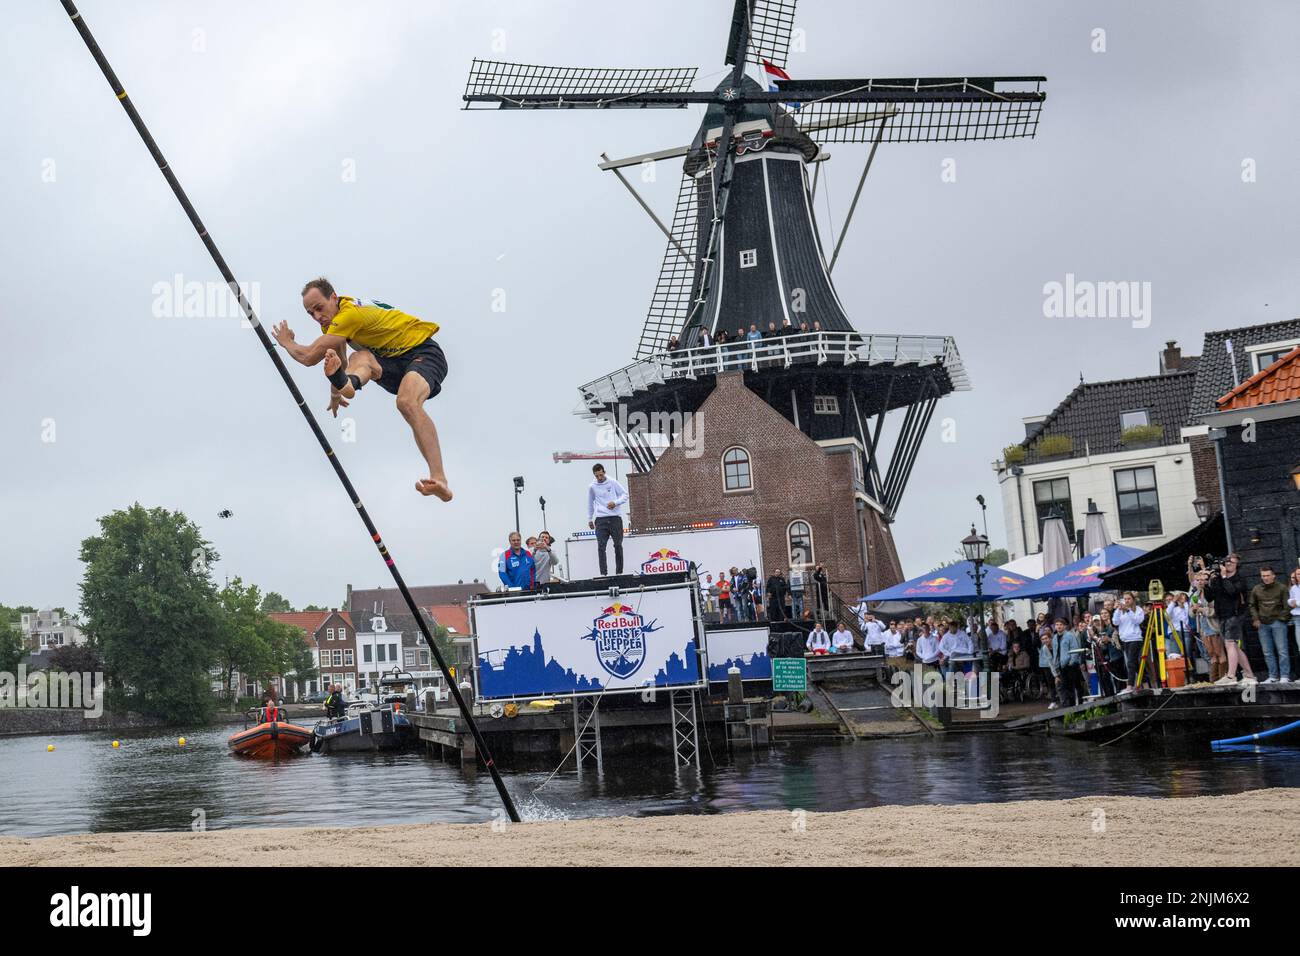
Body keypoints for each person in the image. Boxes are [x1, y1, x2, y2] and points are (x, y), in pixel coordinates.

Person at [275, 278, 452, 500]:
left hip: (422, 354)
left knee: (406, 402)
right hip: (389, 363)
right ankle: (349, 384)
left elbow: (310, 357)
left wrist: (287, 343)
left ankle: (440, 480)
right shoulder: (332, 320)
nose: (317, 316)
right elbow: (337, 355)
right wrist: (336, 390)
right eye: (310, 313)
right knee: (359, 357)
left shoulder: (350, 314)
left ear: (333, 297)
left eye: (319, 308)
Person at [1206, 554, 1256, 685]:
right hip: (1222, 615)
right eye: (1226, 561)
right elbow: (1209, 597)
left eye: (1231, 562)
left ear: (1237, 565)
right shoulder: (1218, 578)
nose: (1228, 564)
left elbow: (1232, 591)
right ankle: (1249, 674)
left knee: (1230, 644)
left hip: (1235, 615)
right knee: (1234, 647)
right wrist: (1208, 582)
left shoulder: (1240, 579)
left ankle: (1231, 676)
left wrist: (1223, 577)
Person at [1250, 565, 1293, 683]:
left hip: (1278, 623)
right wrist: (1256, 618)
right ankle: (1273, 676)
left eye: (1268, 575)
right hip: (1262, 624)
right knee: (1267, 652)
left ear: (1273, 576)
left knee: (1282, 650)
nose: (1265, 578)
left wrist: (1281, 619)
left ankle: (1284, 676)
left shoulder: (1282, 588)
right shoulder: (1256, 589)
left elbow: (1287, 605)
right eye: (1263, 576)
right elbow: (1252, 605)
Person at [1188, 558, 1226, 682]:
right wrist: (1194, 610)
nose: (1201, 582)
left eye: (1204, 579)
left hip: (1214, 626)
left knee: (1219, 652)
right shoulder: (1195, 595)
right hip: (1203, 627)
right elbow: (1191, 614)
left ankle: (1223, 677)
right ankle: (1214, 679)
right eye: (1198, 580)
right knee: (1211, 654)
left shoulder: (1213, 592)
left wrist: (1201, 610)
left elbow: (1215, 611)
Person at [587, 464, 628, 576]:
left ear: (604, 472)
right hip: (601, 519)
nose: (599, 478)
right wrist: (590, 518)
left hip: (615, 518)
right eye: (597, 476)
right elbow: (590, 503)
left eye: (601, 475)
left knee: (618, 545)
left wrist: (615, 503)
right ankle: (603, 574)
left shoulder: (612, 482)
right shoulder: (592, 486)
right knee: (601, 546)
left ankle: (619, 572)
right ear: (594, 475)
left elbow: (625, 495)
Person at [1112, 591, 1147, 693]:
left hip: (1135, 639)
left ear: (1133, 600)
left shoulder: (1138, 610)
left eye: (1129, 599)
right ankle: (1145, 683)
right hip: (1125, 640)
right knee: (1135, 664)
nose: (1127, 601)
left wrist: (1128, 610)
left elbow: (1137, 621)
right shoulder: (1121, 610)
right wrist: (1118, 610)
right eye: (1125, 599)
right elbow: (1115, 622)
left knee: (1130, 662)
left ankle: (1130, 685)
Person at [1054, 618, 1088, 708]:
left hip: (1071, 664)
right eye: (1057, 625)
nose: (1059, 626)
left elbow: (1074, 649)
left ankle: (1079, 704)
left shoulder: (1069, 635)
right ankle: (1071, 705)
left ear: (1064, 626)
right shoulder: (1054, 637)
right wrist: (1056, 665)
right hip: (1062, 665)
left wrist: (1072, 661)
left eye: (1061, 624)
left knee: (1075, 685)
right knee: (1066, 687)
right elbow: (1055, 653)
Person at [1039, 630, 1061, 708]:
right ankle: (1054, 701)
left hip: (1060, 665)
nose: (1045, 640)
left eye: (1046, 638)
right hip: (1051, 666)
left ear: (1050, 638)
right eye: (1043, 639)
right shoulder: (1044, 648)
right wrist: (1055, 675)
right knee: (1051, 683)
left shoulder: (1056, 644)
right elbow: (1050, 662)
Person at [1290, 568, 1300, 659]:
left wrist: (1296, 603)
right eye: (1297, 574)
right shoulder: (1294, 588)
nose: (1299, 576)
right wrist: (1292, 602)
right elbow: (1290, 600)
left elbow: (1295, 603)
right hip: (1297, 619)